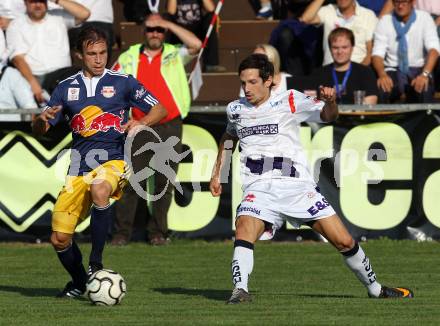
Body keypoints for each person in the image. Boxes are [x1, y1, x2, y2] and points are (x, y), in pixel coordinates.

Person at [210, 53, 414, 304]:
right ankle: (240, 290)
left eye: (253, 82)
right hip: (260, 187)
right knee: (243, 227)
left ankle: (375, 289)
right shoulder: (236, 109)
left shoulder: (291, 100)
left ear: (269, 81)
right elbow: (229, 137)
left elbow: (329, 116)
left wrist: (330, 102)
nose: (246, 88)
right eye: (243, 82)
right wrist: (218, 171)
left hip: (297, 188)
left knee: (344, 240)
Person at [31, 26, 167, 298]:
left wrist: (140, 122)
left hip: (114, 161)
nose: (98, 59)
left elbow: (160, 108)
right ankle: (82, 282)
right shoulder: (64, 88)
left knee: (100, 189)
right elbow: (39, 128)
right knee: (59, 239)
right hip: (78, 166)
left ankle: (96, 263)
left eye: (102, 52)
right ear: (79, 54)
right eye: (91, 53)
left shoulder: (123, 81)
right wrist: (40, 121)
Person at [111, 13, 201, 246]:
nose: (155, 33)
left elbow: (196, 44)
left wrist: (168, 23)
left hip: (169, 124)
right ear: (143, 30)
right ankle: (122, 234)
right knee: (130, 181)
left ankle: (158, 233)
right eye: (151, 29)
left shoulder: (173, 53)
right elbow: (111, 84)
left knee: (163, 182)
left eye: (159, 30)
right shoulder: (129, 56)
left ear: (166, 32)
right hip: (138, 125)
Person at [6, 0, 90, 105]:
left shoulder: (59, 16)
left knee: (81, 75)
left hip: (63, 74)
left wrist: (57, 0)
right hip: (36, 78)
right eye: (33, 2)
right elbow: (18, 59)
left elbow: (84, 14)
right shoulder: (16, 25)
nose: (38, 5)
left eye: (42, 1)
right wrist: (33, 83)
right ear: (25, 3)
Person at [372, 0, 440, 103]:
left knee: (424, 89)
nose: (400, 6)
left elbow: (434, 50)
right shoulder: (385, 21)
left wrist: (424, 74)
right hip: (393, 68)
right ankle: (384, 118)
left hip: (419, 68)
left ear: (412, 2)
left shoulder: (424, 18)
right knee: (383, 88)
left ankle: (426, 118)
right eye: (397, 2)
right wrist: (382, 74)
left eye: (404, 2)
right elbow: (377, 54)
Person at [308, 27, 378, 104]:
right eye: (335, 48)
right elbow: (310, 104)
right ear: (330, 49)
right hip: (328, 115)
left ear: (352, 48)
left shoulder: (365, 72)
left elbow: (371, 102)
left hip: (356, 115)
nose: (340, 51)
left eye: (344, 47)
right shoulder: (318, 74)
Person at [300, 0, 378, 66]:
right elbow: (305, 19)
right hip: (330, 69)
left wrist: (357, 71)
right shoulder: (328, 10)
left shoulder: (368, 15)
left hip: (358, 68)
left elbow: (369, 53)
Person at [166, 0, 225, 72]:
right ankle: (166, 59)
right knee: (166, 18)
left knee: (211, 17)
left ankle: (211, 64)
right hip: (179, 32)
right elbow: (171, 11)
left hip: (197, 30)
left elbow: (211, 8)